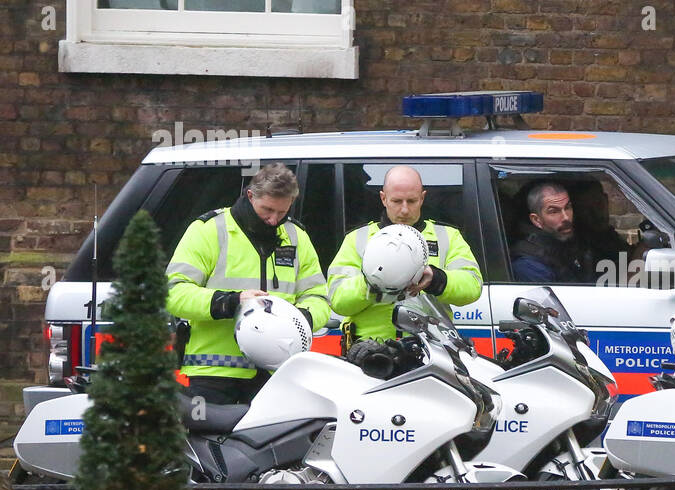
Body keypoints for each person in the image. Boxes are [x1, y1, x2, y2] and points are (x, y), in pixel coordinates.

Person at [166, 163, 330, 404]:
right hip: (214, 373)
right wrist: (231, 302)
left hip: (276, 375)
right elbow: (173, 293)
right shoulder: (210, 230)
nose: (274, 220)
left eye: (282, 212)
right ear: (250, 196)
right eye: (267, 210)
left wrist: (299, 318)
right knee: (208, 441)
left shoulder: (296, 237)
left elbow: (318, 297)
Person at [326, 165, 483, 341]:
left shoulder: (447, 236)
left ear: (422, 198)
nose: (405, 210)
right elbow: (338, 300)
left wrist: (437, 279)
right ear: (383, 198)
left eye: (412, 201)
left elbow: (473, 285)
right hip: (370, 351)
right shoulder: (358, 238)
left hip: (432, 348)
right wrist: (371, 283)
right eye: (397, 201)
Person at [510, 181, 596, 283]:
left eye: (567, 207)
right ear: (537, 220)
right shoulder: (530, 264)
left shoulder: (574, 243)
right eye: (554, 211)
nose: (566, 217)